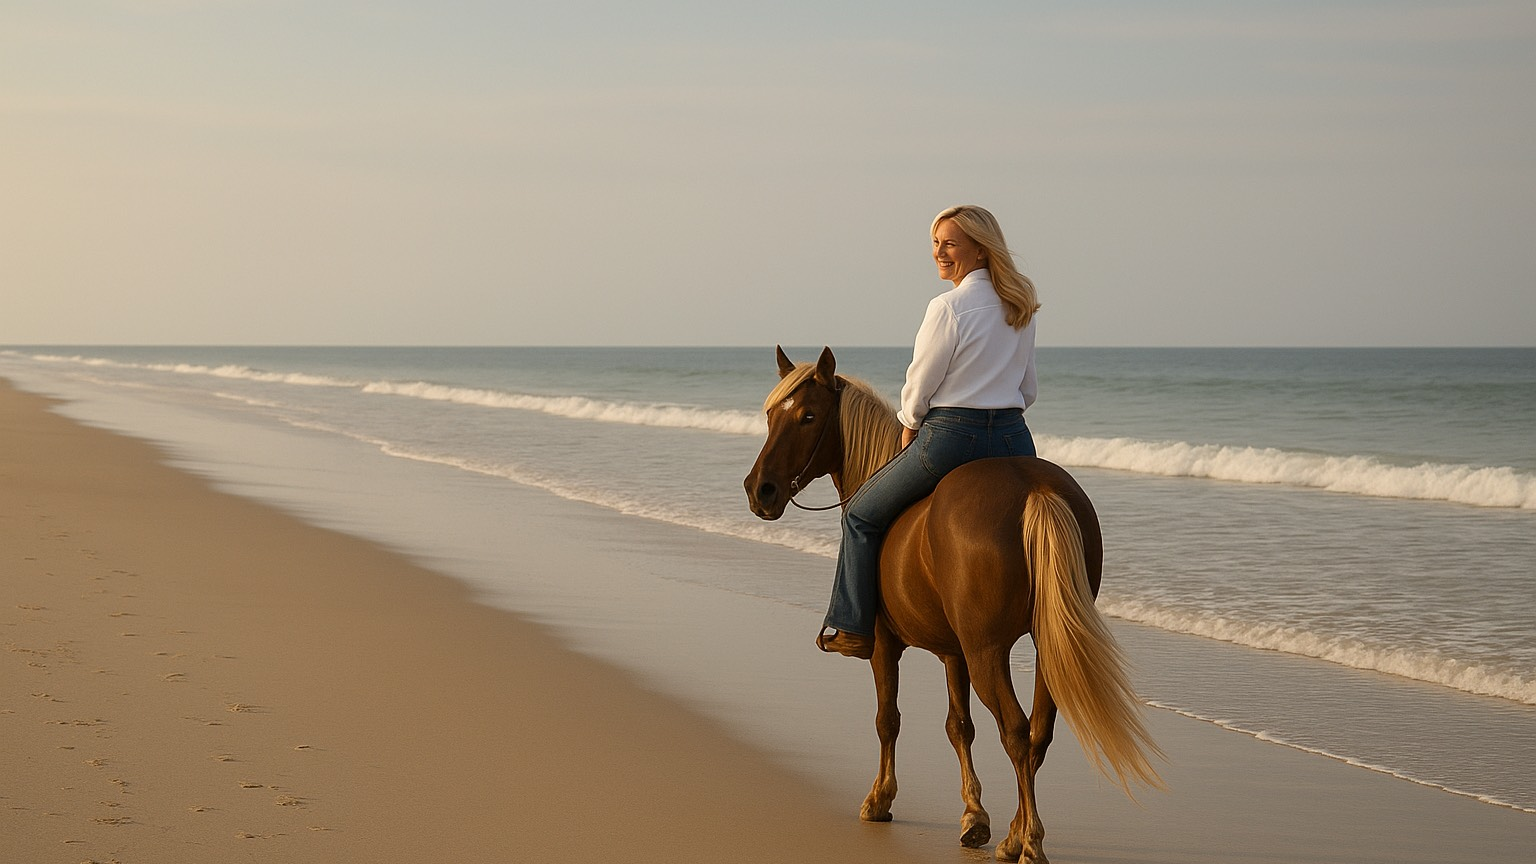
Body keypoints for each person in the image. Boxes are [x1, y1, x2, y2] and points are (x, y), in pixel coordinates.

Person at [817, 205, 1041, 660]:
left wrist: (908, 422)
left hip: (953, 437)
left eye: (950, 243)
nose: (939, 253)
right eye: (935, 243)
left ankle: (852, 626)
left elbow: (921, 380)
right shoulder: (1020, 306)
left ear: (980, 249)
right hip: (1016, 439)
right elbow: (1028, 389)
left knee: (859, 513)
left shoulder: (946, 307)